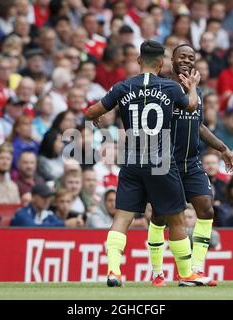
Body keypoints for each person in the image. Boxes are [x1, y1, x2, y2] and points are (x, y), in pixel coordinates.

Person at [86, 40, 209, 287]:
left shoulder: (123, 87)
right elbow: (192, 105)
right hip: (161, 161)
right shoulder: (170, 88)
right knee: (176, 219)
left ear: (139, 61)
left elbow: (90, 112)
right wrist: (193, 87)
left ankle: (113, 271)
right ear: (162, 63)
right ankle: (186, 274)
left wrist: (97, 115)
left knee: (122, 218)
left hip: (131, 161)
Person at [146, 44, 233, 287]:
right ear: (171, 59)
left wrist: (222, 148)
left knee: (206, 209)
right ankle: (156, 272)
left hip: (191, 162)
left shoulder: (198, 91)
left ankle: (195, 269)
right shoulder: (162, 87)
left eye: (191, 57)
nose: (186, 60)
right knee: (161, 216)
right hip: (166, 162)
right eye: (181, 56)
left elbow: (198, 124)